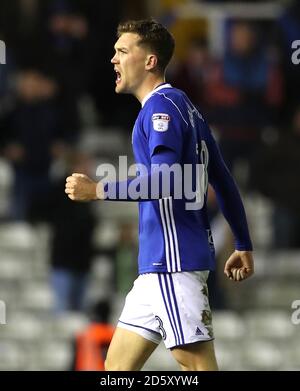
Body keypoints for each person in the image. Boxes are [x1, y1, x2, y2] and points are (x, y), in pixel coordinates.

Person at [65, 19, 254, 371]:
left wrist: (98, 190)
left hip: (173, 264)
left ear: (149, 61)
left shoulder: (160, 109)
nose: (113, 59)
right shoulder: (188, 109)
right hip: (156, 270)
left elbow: (164, 180)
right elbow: (224, 181)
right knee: (116, 370)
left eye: (122, 51)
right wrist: (242, 242)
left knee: (198, 367)